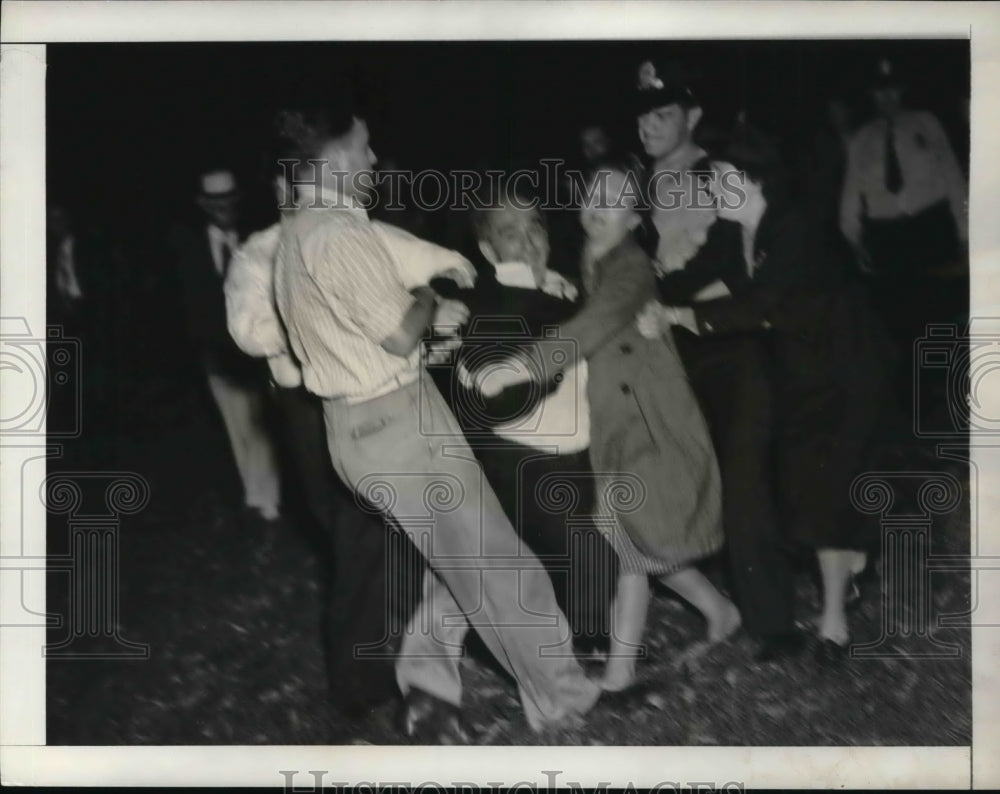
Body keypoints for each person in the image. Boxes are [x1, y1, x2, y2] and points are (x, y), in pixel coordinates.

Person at [271, 103, 603, 742]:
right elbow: (399, 332)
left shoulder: (298, 229)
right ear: (335, 156)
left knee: (455, 561)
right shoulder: (337, 232)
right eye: (364, 149)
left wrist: (432, 335)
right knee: (500, 563)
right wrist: (426, 298)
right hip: (393, 422)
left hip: (360, 425)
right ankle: (566, 698)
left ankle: (428, 695)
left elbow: (356, 337)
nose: (371, 162)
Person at [474, 162, 735, 692]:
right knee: (640, 535)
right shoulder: (588, 261)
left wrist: (525, 365)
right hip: (615, 422)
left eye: (613, 200)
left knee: (631, 548)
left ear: (635, 216)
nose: (596, 206)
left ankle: (619, 673)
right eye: (592, 194)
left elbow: (596, 321)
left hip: (648, 418)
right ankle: (721, 611)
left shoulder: (631, 265)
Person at [639, 131, 894, 663]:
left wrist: (683, 317)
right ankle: (851, 567)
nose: (715, 191)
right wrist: (636, 297)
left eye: (724, 181)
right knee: (811, 492)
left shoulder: (795, 227)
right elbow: (684, 278)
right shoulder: (734, 234)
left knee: (827, 491)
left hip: (852, 373)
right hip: (802, 377)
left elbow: (762, 305)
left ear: (756, 181)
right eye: (712, 183)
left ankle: (832, 626)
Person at [631, 58, 803, 661]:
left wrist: (664, 294)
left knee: (746, 481)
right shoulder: (643, 182)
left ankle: (774, 623)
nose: (649, 125)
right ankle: (711, 602)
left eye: (663, 113)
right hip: (673, 345)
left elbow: (734, 258)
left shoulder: (719, 172)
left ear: (693, 116)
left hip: (727, 342)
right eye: (643, 115)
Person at [428, 181, 615, 650]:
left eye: (535, 227)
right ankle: (575, 648)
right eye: (511, 233)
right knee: (583, 558)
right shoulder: (483, 306)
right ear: (489, 249)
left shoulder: (567, 287)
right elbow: (492, 398)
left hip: (584, 454)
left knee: (605, 554)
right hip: (526, 463)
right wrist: (549, 360)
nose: (529, 242)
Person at [839, 56, 968, 380]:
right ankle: (917, 392)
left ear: (903, 91)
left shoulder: (925, 123)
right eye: (881, 93)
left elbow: (953, 177)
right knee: (901, 318)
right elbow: (852, 193)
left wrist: (965, 232)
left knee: (941, 312)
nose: (888, 99)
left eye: (893, 91)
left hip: (930, 228)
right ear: (871, 96)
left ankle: (950, 386)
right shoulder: (861, 139)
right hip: (888, 237)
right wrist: (854, 240)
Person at [171, 169, 282, 521]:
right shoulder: (186, 244)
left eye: (230, 201)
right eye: (216, 203)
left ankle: (271, 497)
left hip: (258, 348)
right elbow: (184, 302)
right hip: (215, 352)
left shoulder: (259, 239)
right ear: (204, 206)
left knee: (264, 420)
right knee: (236, 422)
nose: (224, 209)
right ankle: (254, 491)